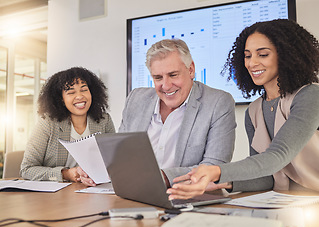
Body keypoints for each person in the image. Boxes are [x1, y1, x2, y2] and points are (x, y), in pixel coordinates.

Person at [167, 19, 319, 200]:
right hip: (288, 204)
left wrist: (216, 171)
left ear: (286, 55)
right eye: (247, 56)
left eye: (262, 54)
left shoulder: (310, 96)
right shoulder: (254, 111)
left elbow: (277, 156)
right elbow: (265, 176)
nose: (252, 63)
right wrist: (220, 183)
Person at [78, 39, 236, 187]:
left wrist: (162, 177)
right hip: (133, 193)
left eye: (173, 75)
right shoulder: (136, 99)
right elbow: (120, 155)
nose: (166, 86)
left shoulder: (218, 102)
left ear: (191, 70)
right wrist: (95, 170)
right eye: (158, 78)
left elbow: (215, 166)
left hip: (186, 197)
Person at [20, 67, 115, 182]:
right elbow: (27, 169)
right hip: (55, 195)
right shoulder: (47, 123)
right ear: (61, 99)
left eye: (84, 90)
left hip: (94, 191)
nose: (80, 96)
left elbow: (113, 162)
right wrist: (67, 174)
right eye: (71, 92)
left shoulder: (104, 120)